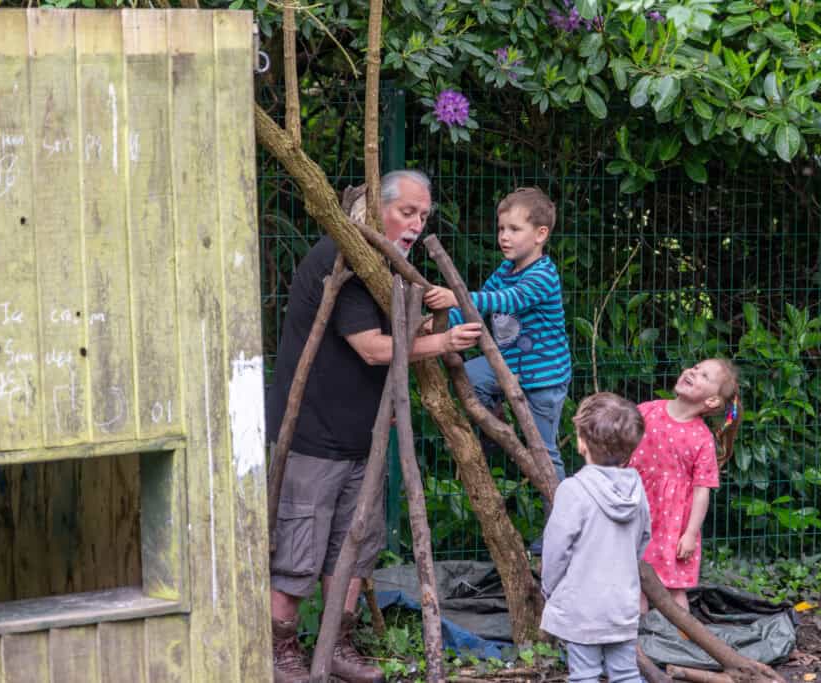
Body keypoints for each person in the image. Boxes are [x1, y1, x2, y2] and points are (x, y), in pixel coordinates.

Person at [264, 169, 482, 683]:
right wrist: (445, 344)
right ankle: (279, 654)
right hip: (314, 437)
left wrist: (434, 317)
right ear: (375, 210)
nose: (416, 223)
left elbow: (405, 329)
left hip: (364, 437)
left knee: (354, 549)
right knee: (298, 550)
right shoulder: (341, 260)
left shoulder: (390, 268)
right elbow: (373, 347)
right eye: (407, 212)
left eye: (424, 216)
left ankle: (338, 646)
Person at [423, 187, 571, 509]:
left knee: (544, 453)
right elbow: (477, 308)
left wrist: (457, 297)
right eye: (502, 228)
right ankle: (493, 428)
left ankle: (558, 526)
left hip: (543, 379)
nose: (504, 236)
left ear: (540, 234)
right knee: (469, 376)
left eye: (515, 229)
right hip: (508, 365)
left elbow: (506, 300)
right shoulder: (505, 270)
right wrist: (444, 319)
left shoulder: (544, 274)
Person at [540, 392, 650, 683]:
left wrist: (551, 587)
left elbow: (556, 549)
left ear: (581, 442)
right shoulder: (636, 489)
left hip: (582, 605)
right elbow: (643, 536)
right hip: (622, 602)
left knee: (585, 675)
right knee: (626, 673)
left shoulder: (572, 490)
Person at [629, 358, 742, 613]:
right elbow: (620, 450)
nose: (693, 372)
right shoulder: (646, 411)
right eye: (695, 368)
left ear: (712, 401)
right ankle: (637, 644)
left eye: (704, 376)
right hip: (634, 511)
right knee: (633, 581)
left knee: (673, 588)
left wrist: (690, 534)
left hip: (671, 526)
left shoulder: (702, 438)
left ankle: (681, 644)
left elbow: (702, 491)